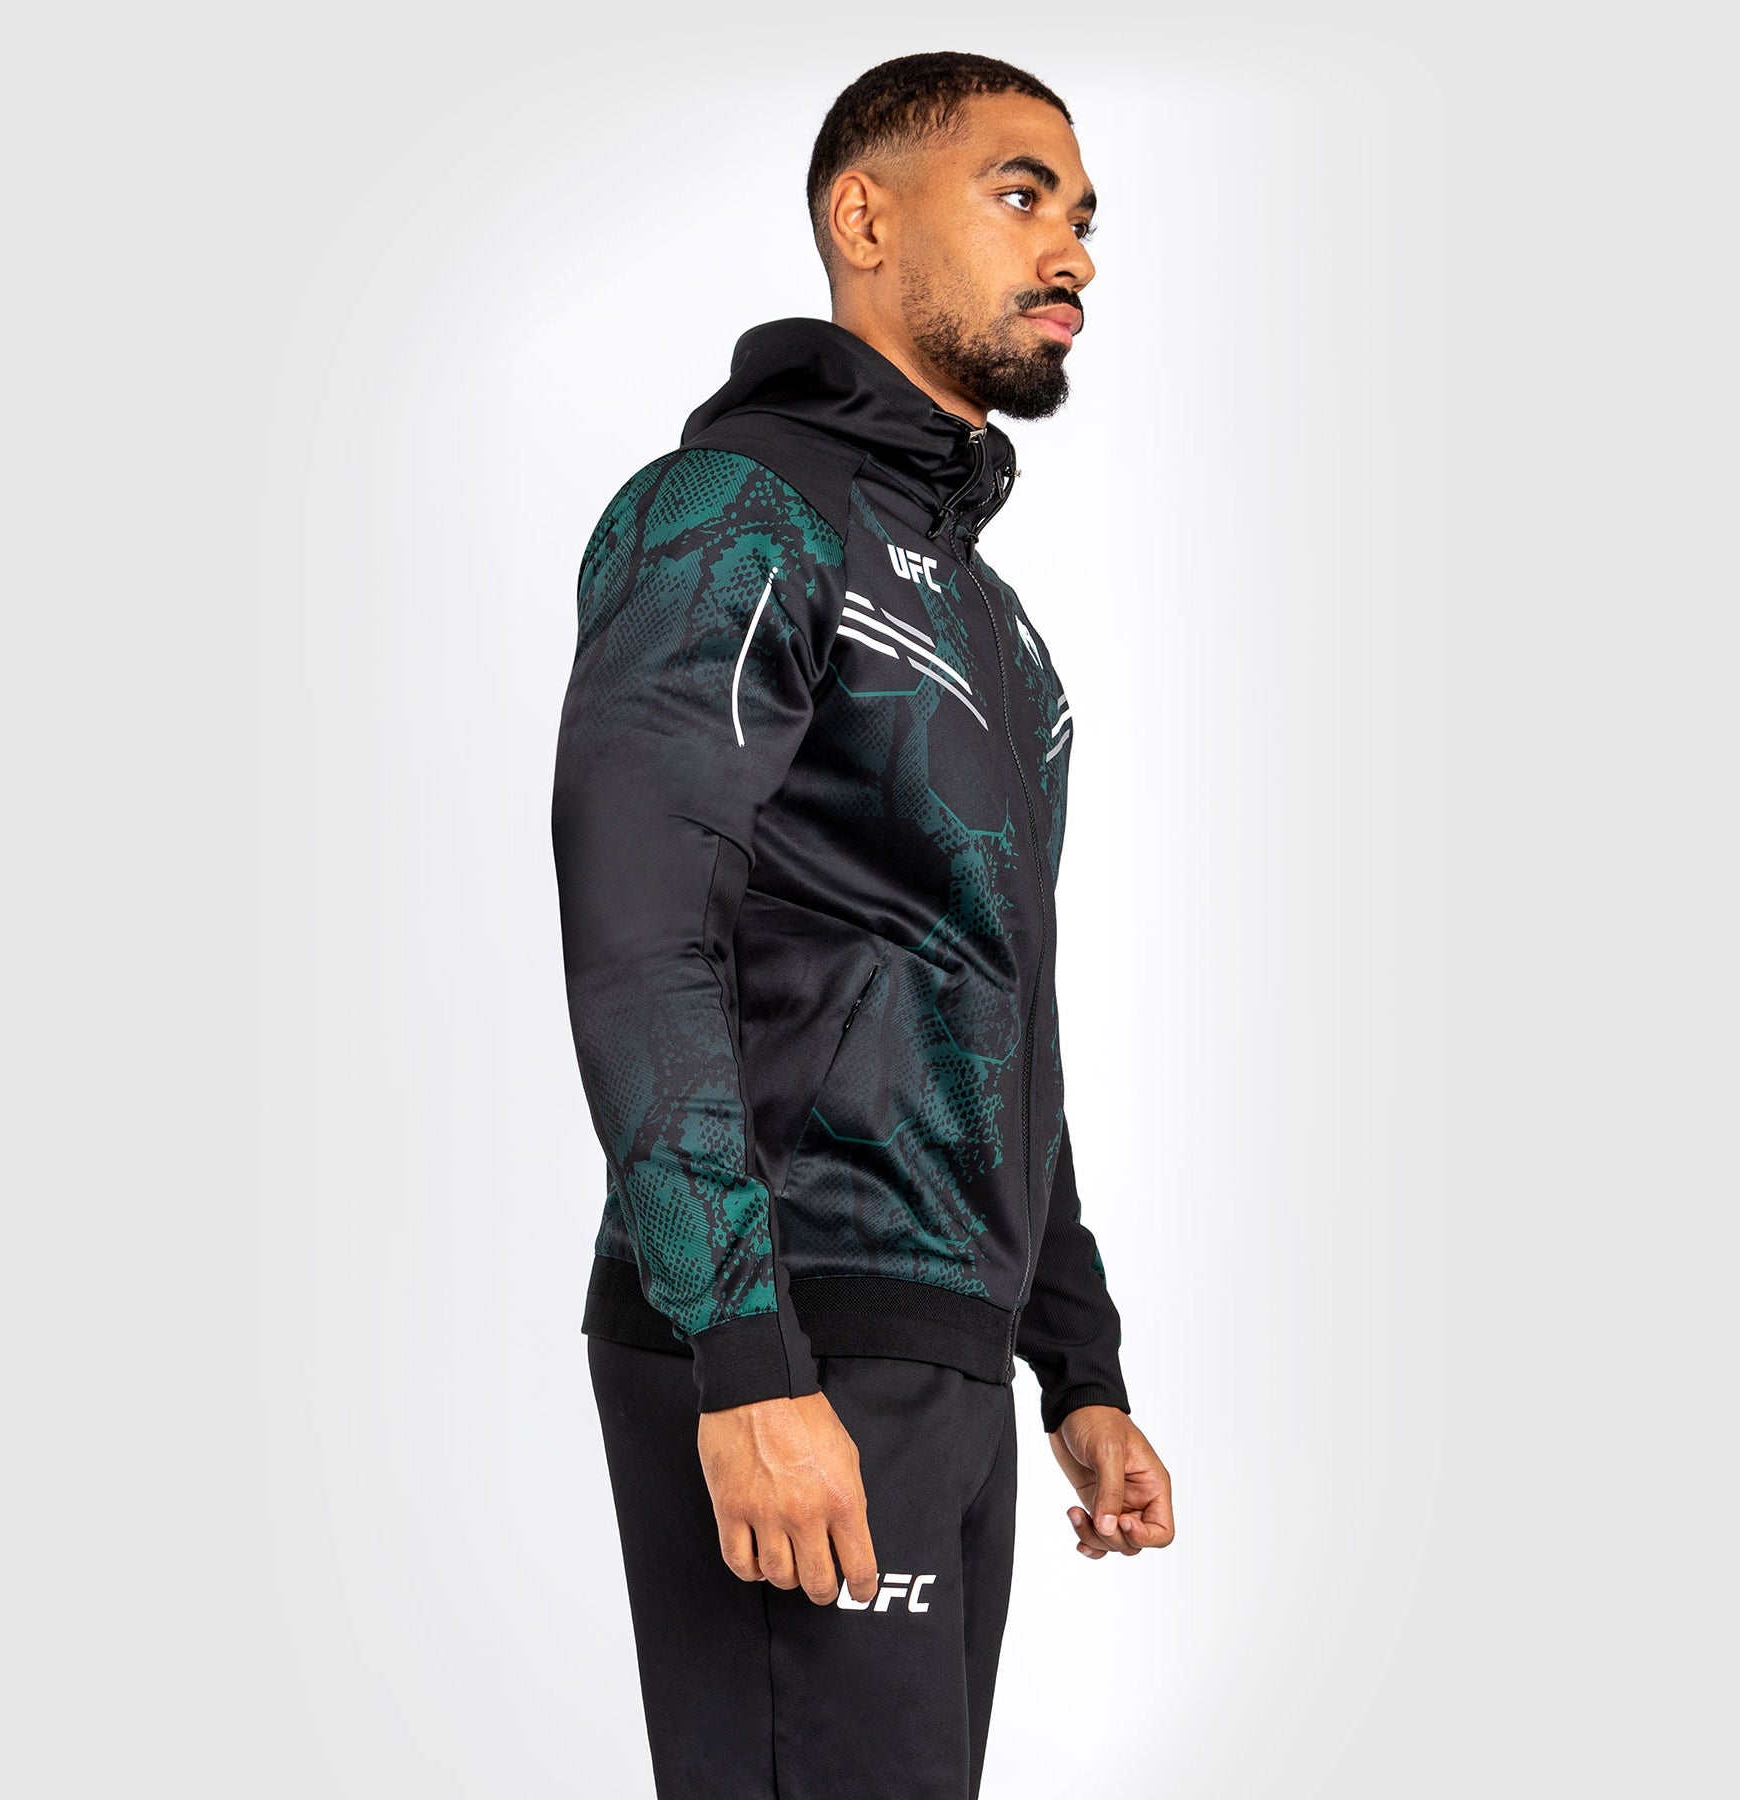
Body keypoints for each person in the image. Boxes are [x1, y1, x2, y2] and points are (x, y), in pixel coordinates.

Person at [551, 49, 1175, 1800]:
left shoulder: (997, 626)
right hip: (788, 1322)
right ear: (865, 217)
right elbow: (640, 926)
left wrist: (1076, 1360)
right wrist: (743, 1356)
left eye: (1085, 213)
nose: (1073, 250)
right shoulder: (732, 515)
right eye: (1020, 194)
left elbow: (996, 992)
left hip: (940, 1350)